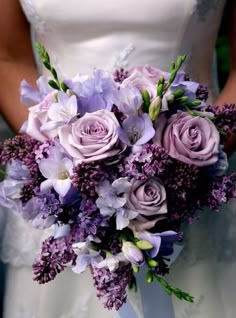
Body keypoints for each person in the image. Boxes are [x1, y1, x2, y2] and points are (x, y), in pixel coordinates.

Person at [0, 0, 235, 317]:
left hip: (195, 191)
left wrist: (191, 160)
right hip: (61, 200)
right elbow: (7, 57)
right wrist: (64, 160)